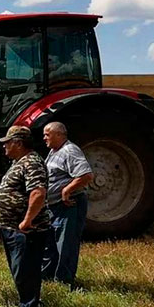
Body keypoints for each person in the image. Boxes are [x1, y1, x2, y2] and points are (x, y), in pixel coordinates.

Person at [0, 125, 50, 307]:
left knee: (25, 271)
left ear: (18, 143)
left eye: (7, 143)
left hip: (25, 230)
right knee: (21, 270)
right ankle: (27, 306)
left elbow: (38, 192)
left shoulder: (31, 162)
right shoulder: (21, 161)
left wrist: (27, 220)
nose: (4, 147)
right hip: (13, 228)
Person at [41, 122, 93, 288]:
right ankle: (47, 277)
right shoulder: (54, 151)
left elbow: (86, 174)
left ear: (59, 135)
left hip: (69, 204)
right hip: (53, 205)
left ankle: (64, 282)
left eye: (47, 134)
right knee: (51, 244)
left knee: (66, 245)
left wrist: (66, 191)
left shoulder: (70, 150)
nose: (44, 138)